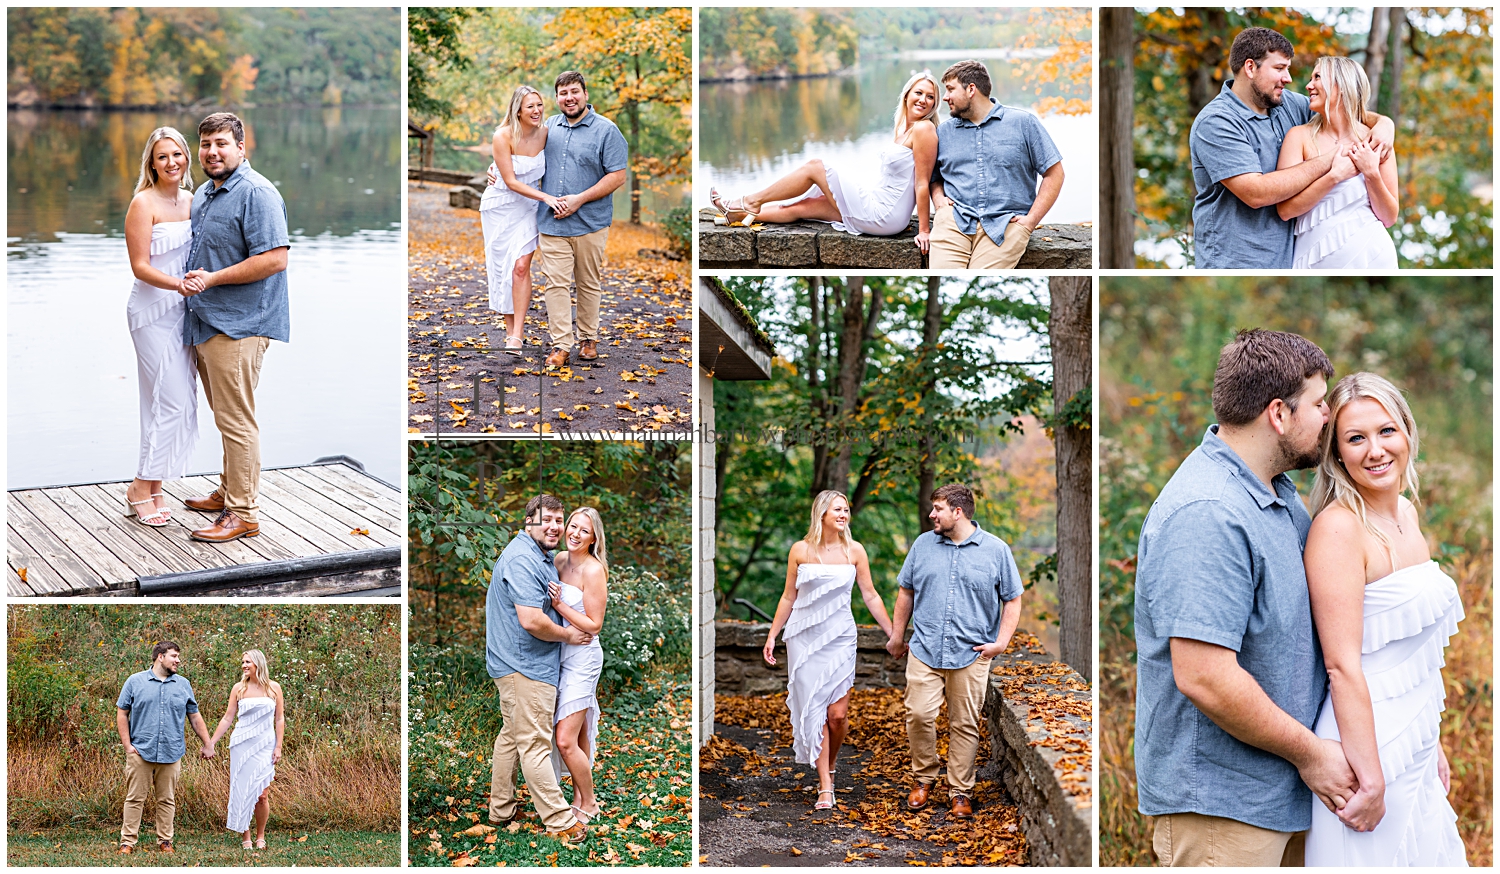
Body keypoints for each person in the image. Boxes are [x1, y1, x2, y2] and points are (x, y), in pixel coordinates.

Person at [1133, 329, 1359, 866]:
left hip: (1284, 795)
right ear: (1279, 414)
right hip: (1221, 810)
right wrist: (1314, 756)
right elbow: (1204, 675)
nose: (1328, 415)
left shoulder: (1276, 491)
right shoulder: (1207, 512)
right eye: (1319, 403)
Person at [1302, 373, 1466, 865]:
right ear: (1336, 454)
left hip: (1414, 739)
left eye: (1386, 431)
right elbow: (1341, 665)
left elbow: (1414, 653)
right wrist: (1369, 778)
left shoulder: (1408, 516)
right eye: (1356, 438)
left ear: (1408, 433)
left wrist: (1430, 739)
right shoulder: (1338, 529)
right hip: (1363, 749)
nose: (1375, 450)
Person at [1189, 28, 1394, 269]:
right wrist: (1334, 162)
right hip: (1234, 263)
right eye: (1279, 68)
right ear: (1250, 68)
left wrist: (1384, 124)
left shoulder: (1286, 104)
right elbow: (1257, 193)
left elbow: (1343, 109)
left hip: (1286, 260)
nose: (1288, 78)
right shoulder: (1217, 122)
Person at [178, 111, 291, 543]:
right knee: (226, 417)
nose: (212, 152)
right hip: (207, 321)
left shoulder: (257, 193)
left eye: (222, 143)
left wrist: (212, 278)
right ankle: (228, 491)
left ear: (242, 147)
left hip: (241, 324)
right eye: (206, 144)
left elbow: (275, 258)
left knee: (237, 421)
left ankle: (243, 514)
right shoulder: (206, 193)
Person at [886, 483, 1022, 820]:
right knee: (918, 714)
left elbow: (1013, 599)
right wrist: (897, 635)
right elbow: (906, 591)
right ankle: (924, 778)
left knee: (965, 724)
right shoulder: (922, 545)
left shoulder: (996, 550)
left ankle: (960, 790)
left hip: (972, 653)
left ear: (957, 512)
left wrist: (1001, 642)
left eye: (938, 509)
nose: (932, 514)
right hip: (925, 648)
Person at [762, 491, 895, 810]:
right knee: (816, 710)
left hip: (840, 638)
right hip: (804, 639)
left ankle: (830, 764)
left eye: (847, 509)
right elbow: (787, 597)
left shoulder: (855, 551)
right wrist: (772, 635)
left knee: (837, 716)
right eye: (838, 509)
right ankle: (825, 784)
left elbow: (871, 596)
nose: (844, 514)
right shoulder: (800, 549)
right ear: (821, 513)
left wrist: (894, 634)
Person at [709, 70, 941, 252]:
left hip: (885, 214)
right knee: (806, 206)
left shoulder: (924, 129)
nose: (923, 100)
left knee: (815, 167)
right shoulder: (904, 130)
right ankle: (736, 215)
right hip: (878, 201)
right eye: (919, 93)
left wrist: (924, 230)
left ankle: (750, 200)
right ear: (907, 94)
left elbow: (922, 182)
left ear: (934, 104)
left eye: (930, 97)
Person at [487, 494, 593, 844]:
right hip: (524, 666)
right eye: (546, 519)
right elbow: (531, 620)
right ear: (529, 519)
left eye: (558, 520)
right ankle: (561, 821)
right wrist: (567, 636)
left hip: (520, 663)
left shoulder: (539, 556)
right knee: (534, 743)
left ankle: (501, 810)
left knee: (512, 738)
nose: (554, 526)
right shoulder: (522, 559)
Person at [123, 127, 201, 526]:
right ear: (151, 163)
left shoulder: (194, 199)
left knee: (176, 402)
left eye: (177, 154)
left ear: (187, 157)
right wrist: (178, 285)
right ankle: (140, 485)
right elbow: (140, 267)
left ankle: (154, 487)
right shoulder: (143, 203)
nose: (172, 162)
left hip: (184, 312)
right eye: (162, 156)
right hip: (152, 312)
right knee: (169, 400)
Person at [928, 60, 1064, 269]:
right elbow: (933, 177)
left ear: (971, 89)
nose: (945, 97)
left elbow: (1054, 174)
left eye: (950, 89)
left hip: (1007, 225)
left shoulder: (1023, 123)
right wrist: (938, 200)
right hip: (954, 221)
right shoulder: (943, 132)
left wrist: (1030, 222)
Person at [535, 72, 628, 369]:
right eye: (563, 93)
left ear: (586, 94)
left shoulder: (607, 130)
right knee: (555, 285)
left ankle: (588, 338)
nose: (569, 98)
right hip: (552, 224)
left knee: (588, 283)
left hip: (591, 222)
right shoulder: (547, 126)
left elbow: (617, 176)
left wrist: (579, 199)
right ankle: (561, 344)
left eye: (574, 91)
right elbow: (519, 149)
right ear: (557, 98)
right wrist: (497, 167)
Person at [1276, 57, 1399, 269]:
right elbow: (1285, 210)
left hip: (1374, 256)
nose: (1308, 85)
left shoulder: (1376, 140)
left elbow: (1389, 217)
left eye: (1317, 77)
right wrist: (1334, 177)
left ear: (1341, 86)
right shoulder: (1299, 137)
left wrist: (1371, 173)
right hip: (1312, 260)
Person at [116, 641, 215, 854]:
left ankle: (165, 841)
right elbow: (122, 712)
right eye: (174, 656)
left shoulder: (183, 684)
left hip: (172, 752)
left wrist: (208, 743)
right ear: (160, 657)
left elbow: (194, 716)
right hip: (141, 751)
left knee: (167, 800)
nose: (178, 660)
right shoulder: (135, 681)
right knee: (134, 798)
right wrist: (127, 745)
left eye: (178, 656)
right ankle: (128, 842)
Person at [547, 507, 608, 824]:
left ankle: (592, 802)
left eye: (583, 530)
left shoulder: (593, 571)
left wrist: (560, 606)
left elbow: (594, 624)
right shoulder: (557, 561)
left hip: (583, 657)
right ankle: (579, 798)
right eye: (572, 526)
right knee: (580, 735)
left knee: (565, 739)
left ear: (593, 537)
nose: (574, 533)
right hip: (558, 654)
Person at [481, 85, 551, 356]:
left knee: (521, 266)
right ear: (517, 110)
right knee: (502, 269)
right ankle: (509, 332)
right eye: (530, 106)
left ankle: (518, 335)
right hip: (499, 206)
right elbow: (509, 181)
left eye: (539, 105)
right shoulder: (503, 135)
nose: (536, 110)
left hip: (529, 207)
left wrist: (544, 199)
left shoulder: (547, 133)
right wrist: (547, 198)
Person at [209, 649, 285, 851]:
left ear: (258, 663)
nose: (244, 665)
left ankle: (261, 835)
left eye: (247, 662)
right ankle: (246, 835)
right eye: (242, 662)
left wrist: (278, 746)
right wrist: (211, 742)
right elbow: (228, 718)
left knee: (262, 794)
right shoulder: (239, 688)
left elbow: (279, 718)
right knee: (242, 791)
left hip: (265, 744)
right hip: (242, 744)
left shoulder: (274, 688)